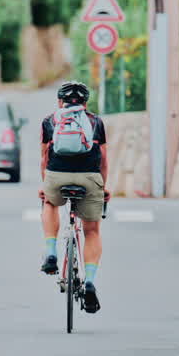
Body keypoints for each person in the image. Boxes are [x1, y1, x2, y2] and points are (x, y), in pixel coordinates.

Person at [39, 81, 107, 313]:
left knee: (49, 203)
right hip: (89, 178)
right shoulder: (96, 121)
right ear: (85, 103)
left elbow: (45, 156)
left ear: (60, 101)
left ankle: (50, 252)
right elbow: (104, 159)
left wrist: (45, 184)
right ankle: (89, 281)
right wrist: (103, 186)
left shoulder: (50, 121)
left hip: (56, 176)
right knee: (92, 230)